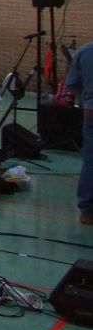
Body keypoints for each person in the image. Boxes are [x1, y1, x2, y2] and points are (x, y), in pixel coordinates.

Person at [66, 40, 93, 224]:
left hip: (90, 111)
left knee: (90, 160)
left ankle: (87, 211)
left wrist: (85, 99)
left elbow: (72, 82)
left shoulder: (85, 51)